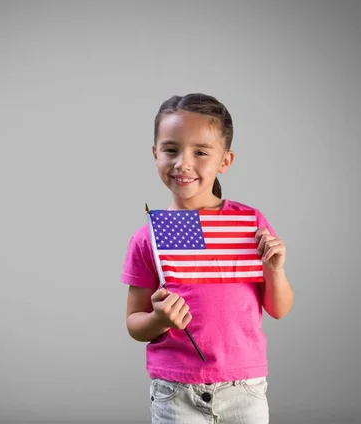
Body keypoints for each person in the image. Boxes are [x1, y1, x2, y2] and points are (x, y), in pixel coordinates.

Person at [121, 93, 294, 423]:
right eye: (171, 149)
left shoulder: (250, 224)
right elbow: (134, 324)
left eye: (200, 152)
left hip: (244, 388)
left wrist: (275, 271)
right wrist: (160, 320)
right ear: (155, 154)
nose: (183, 163)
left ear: (225, 161)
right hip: (175, 389)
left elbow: (279, 309)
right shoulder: (149, 237)